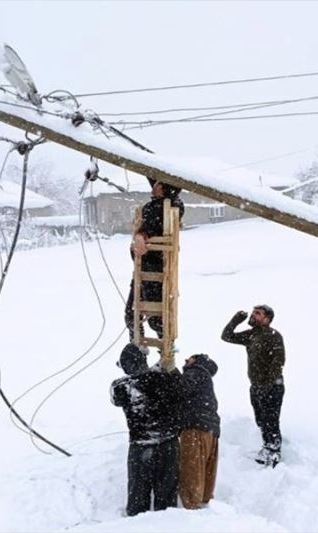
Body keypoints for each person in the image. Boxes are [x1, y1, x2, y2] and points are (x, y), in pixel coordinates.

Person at [110, 343, 182, 516]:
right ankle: (167, 526)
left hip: (140, 445)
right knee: (166, 496)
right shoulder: (161, 379)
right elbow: (180, 390)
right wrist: (167, 363)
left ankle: (136, 525)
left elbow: (115, 397)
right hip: (168, 443)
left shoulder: (120, 387)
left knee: (138, 494)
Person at [221, 305, 285, 467]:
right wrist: (235, 320)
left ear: (267, 319)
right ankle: (267, 446)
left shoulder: (273, 336)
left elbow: (278, 362)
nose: (253, 315)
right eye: (253, 312)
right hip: (256, 386)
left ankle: (274, 451)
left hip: (272, 387)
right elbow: (226, 336)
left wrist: (269, 384)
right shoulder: (252, 335)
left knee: (271, 419)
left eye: (257, 313)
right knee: (261, 420)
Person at [125, 178, 185, 344]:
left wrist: (144, 236)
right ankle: (138, 351)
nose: (154, 186)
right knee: (131, 314)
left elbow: (155, 227)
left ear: (165, 188)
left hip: (157, 267)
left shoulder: (171, 205)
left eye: (158, 183)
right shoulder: (152, 205)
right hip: (142, 266)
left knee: (157, 318)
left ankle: (166, 351)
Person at [178, 353, 220, 509]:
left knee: (191, 471)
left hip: (195, 427)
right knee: (206, 472)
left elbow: (179, 387)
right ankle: (204, 505)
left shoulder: (196, 371)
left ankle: (190, 511)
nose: (185, 360)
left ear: (198, 361)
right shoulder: (206, 379)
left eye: (190, 358)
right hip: (211, 429)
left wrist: (169, 371)